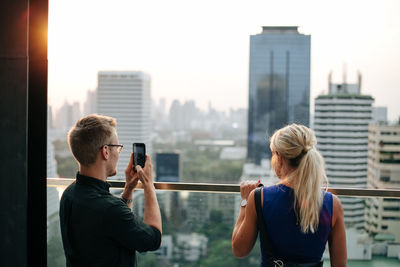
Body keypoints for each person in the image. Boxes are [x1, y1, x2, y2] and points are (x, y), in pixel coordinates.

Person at [232, 124, 347, 266]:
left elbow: (239, 250)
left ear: (279, 158)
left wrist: (245, 202)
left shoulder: (259, 198)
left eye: (273, 154)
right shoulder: (332, 204)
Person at [59, 114, 162, 267]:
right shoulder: (110, 209)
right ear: (105, 151)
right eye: (117, 147)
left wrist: (128, 189)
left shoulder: (69, 194)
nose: (118, 153)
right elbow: (153, 239)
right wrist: (149, 186)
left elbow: (114, 228)